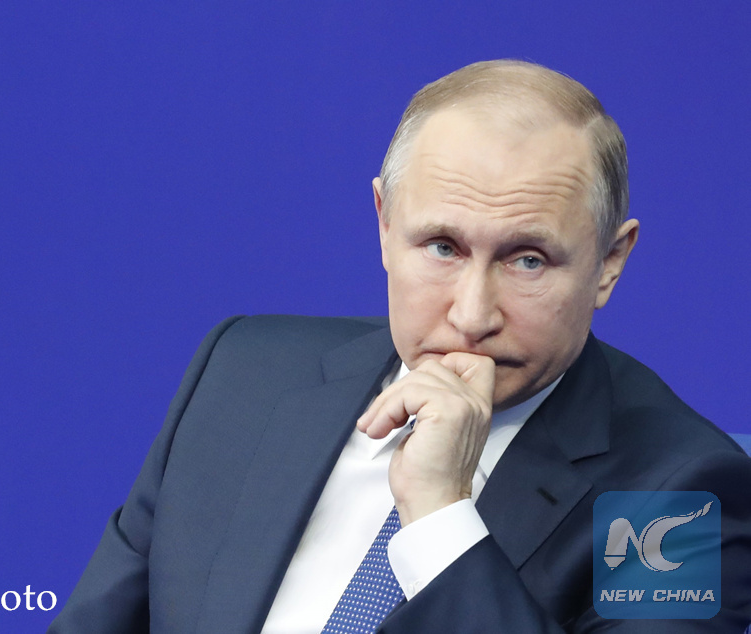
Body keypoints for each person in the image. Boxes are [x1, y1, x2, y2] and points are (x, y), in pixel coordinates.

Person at [49, 60, 751, 633]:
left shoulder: (678, 494)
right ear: (385, 224)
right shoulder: (242, 372)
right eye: (442, 246)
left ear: (608, 263)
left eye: (528, 260)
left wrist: (441, 515)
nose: (472, 316)